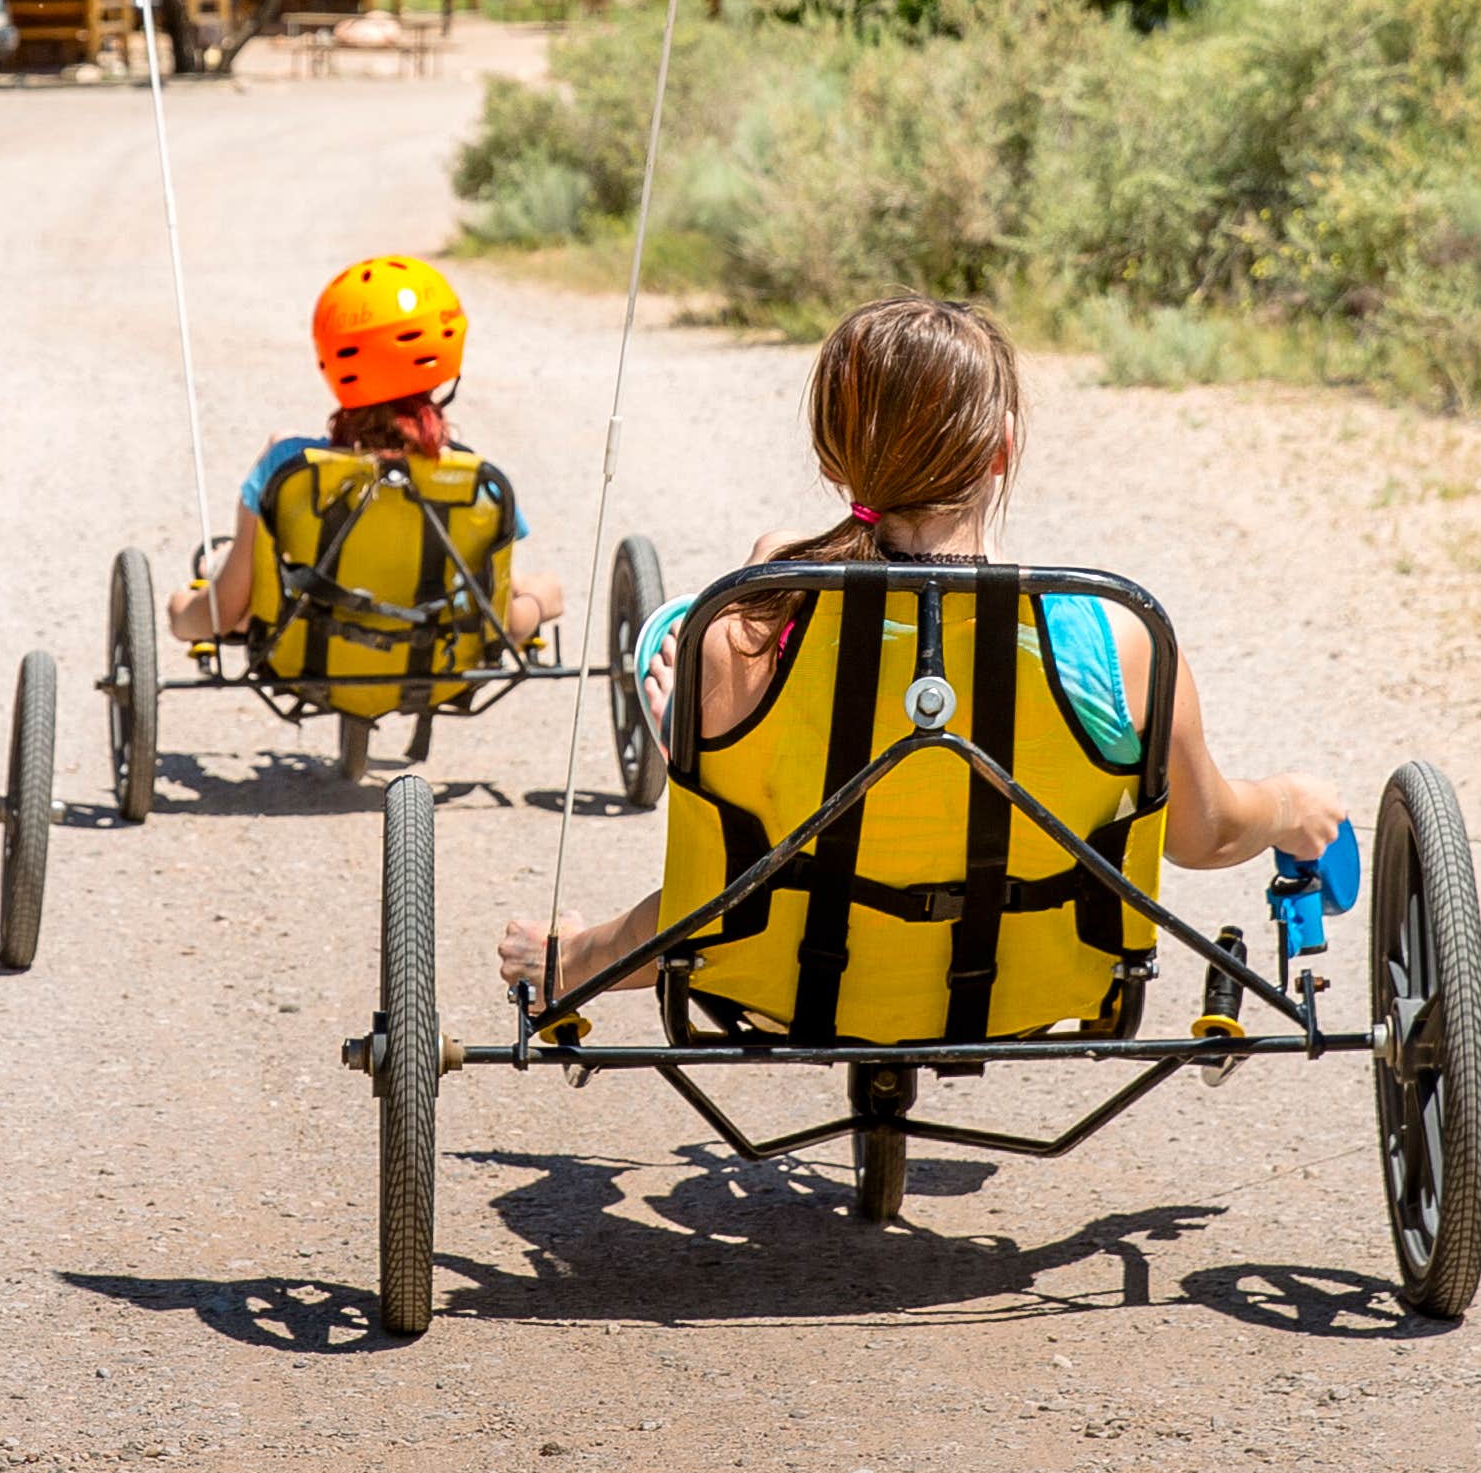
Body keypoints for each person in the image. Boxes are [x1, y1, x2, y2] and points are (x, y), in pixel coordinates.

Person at [497, 292, 1343, 1008]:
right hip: (1036, 984)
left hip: (787, 979)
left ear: (836, 458)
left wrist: (681, 726)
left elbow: (709, 892)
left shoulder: (744, 632)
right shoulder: (1117, 636)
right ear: (1002, 450)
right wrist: (1286, 804)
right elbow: (1203, 835)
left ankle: (571, 960)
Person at [170, 250, 569, 647]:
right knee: (542, 586)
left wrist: (179, 609)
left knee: (203, 591)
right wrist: (540, 598)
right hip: (436, 651)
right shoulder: (474, 478)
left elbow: (220, 617)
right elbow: (507, 624)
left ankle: (222, 560)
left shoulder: (287, 467)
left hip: (312, 647)